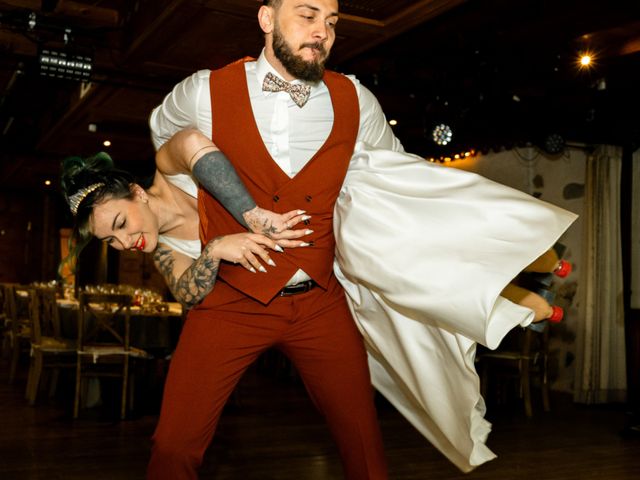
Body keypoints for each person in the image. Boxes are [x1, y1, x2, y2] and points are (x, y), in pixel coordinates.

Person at [148, 0, 576, 476]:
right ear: (267, 20)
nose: (321, 33)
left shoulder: (355, 99)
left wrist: (467, 238)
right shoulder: (203, 92)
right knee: (174, 444)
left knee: (363, 441)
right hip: (232, 297)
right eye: (307, 17)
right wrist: (195, 232)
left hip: (319, 303)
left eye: (331, 23)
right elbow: (170, 155)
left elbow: (397, 182)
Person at [59, 136, 311, 309]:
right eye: (110, 240)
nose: (124, 243)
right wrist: (212, 251)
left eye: (121, 223)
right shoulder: (165, 250)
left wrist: (250, 214)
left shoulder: (168, 168)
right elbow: (185, 295)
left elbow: (191, 142)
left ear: (137, 193)